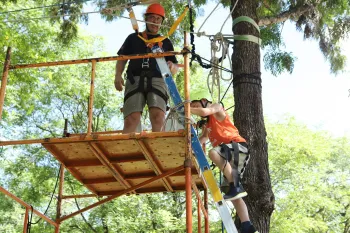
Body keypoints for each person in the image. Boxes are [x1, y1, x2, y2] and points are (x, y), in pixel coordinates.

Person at [190, 97, 259, 233]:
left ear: (204, 101)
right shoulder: (207, 125)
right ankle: (247, 226)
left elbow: (205, 111)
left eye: (197, 106)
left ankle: (236, 186)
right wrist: (191, 147)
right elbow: (203, 138)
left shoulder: (216, 107)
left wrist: (187, 109)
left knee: (213, 153)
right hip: (227, 154)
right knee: (231, 193)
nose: (195, 110)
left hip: (237, 147)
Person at [114, 3, 179, 133]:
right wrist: (117, 75)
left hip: (157, 79)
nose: (155, 21)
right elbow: (122, 58)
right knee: (131, 118)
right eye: (152, 18)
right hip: (135, 78)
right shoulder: (134, 38)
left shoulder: (165, 42)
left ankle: (158, 149)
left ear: (162, 22)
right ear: (146, 19)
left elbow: (175, 66)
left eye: (158, 19)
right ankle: (128, 150)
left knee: (158, 117)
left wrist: (172, 67)